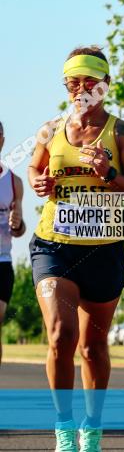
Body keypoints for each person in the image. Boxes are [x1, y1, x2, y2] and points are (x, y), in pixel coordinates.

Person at [28, 47, 124, 451]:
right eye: (73, 83)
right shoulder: (49, 130)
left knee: (92, 348)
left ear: (105, 87)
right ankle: (63, 430)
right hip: (54, 246)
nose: (81, 90)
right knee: (61, 335)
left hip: (103, 250)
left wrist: (109, 173)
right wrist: (38, 183)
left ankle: (91, 429)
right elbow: (34, 167)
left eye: (89, 83)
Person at [0, 120, 27, 368]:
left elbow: (20, 230)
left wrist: (16, 223)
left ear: (2, 140)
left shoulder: (13, 182)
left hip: (3, 262)